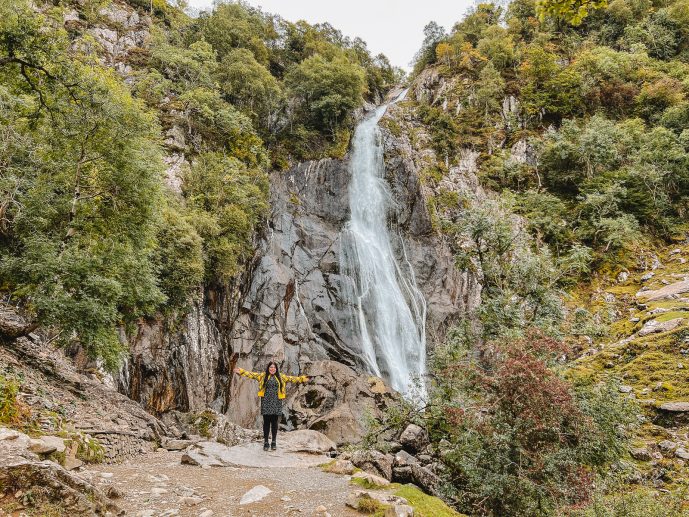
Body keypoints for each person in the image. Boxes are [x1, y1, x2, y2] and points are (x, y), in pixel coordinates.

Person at [233, 361, 309, 451]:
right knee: (266, 422)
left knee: (274, 423)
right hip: (266, 401)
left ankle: (273, 442)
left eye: (274, 367)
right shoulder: (262, 376)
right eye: (270, 367)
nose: (272, 369)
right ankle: (265, 442)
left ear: (276, 369)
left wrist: (303, 379)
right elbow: (251, 374)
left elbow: (293, 379)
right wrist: (241, 371)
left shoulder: (281, 377)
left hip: (277, 402)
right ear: (268, 369)